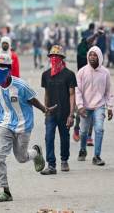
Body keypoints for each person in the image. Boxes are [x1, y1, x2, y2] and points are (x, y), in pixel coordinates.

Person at [0, 53, 56, 202]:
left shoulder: (21, 86)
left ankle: (35, 152)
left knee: (21, 158)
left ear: (9, 69)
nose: (0, 70)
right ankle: (5, 191)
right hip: (5, 124)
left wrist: (43, 109)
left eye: (4, 68)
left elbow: (32, 100)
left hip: (23, 125)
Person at [40, 45, 77, 175]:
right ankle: (51, 165)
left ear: (62, 58)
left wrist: (71, 114)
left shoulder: (69, 75)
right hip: (51, 113)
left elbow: (72, 94)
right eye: (52, 56)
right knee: (49, 137)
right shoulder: (45, 75)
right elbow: (47, 94)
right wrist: (46, 109)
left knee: (64, 138)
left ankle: (64, 160)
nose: (54, 58)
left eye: (57, 56)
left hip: (65, 112)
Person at [76, 46, 113, 166]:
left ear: (99, 57)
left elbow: (108, 92)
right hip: (85, 106)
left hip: (99, 106)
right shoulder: (82, 72)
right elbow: (78, 91)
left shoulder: (105, 73)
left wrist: (110, 107)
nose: (92, 57)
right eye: (90, 55)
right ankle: (82, 149)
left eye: (95, 55)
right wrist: (80, 106)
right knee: (83, 131)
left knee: (99, 129)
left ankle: (96, 156)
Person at [73, 25, 103, 144]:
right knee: (81, 109)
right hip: (82, 84)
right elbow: (87, 41)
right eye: (90, 40)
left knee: (93, 109)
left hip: (95, 85)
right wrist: (96, 34)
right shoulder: (82, 51)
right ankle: (76, 128)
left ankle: (89, 136)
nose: (92, 42)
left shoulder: (95, 53)